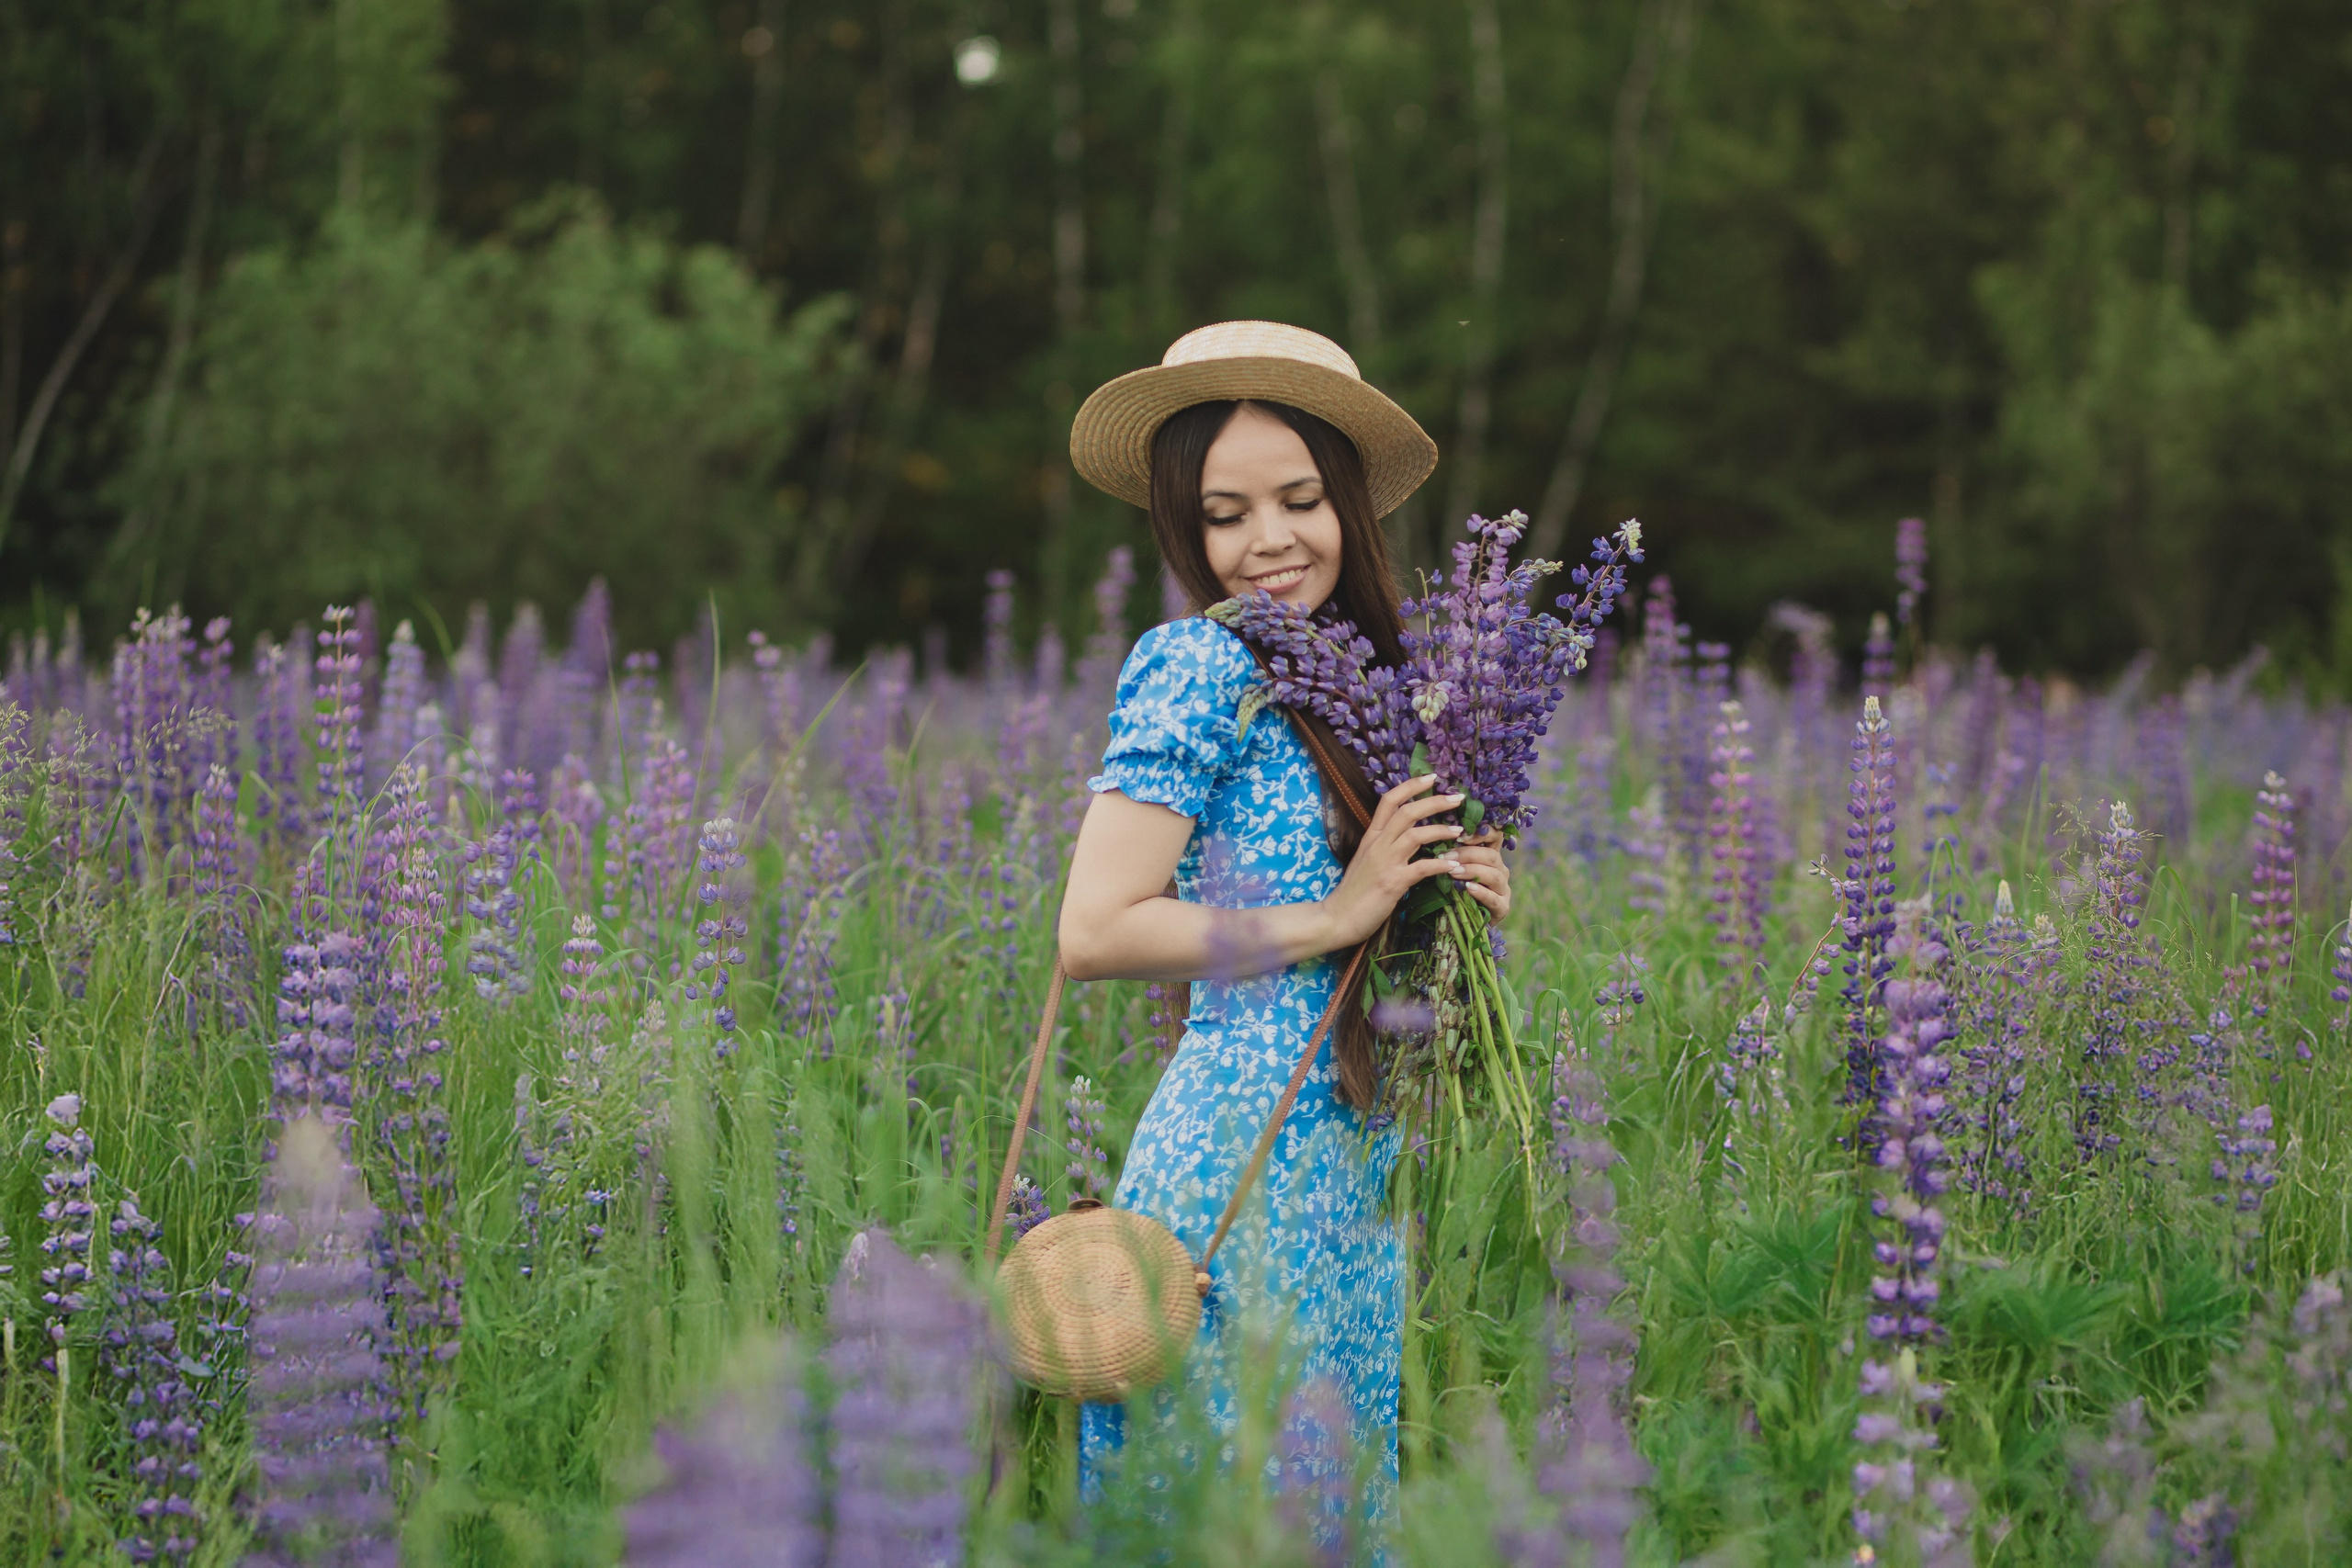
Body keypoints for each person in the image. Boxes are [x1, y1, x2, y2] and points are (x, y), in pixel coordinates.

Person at [1059, 321, 1512, 1533]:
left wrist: (1451, 918)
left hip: (1353, 1169)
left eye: (1300, 498)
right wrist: (1343, 907)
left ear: (1347, 504)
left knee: (1327, 1519)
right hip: (1235, 1160)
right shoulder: (1197, 665)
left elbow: (1389, 981)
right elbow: (1094, 929)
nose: (1268, 541)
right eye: (1224, 513)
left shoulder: (1367, 694)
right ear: (1184, 530)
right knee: (1225, 1517)